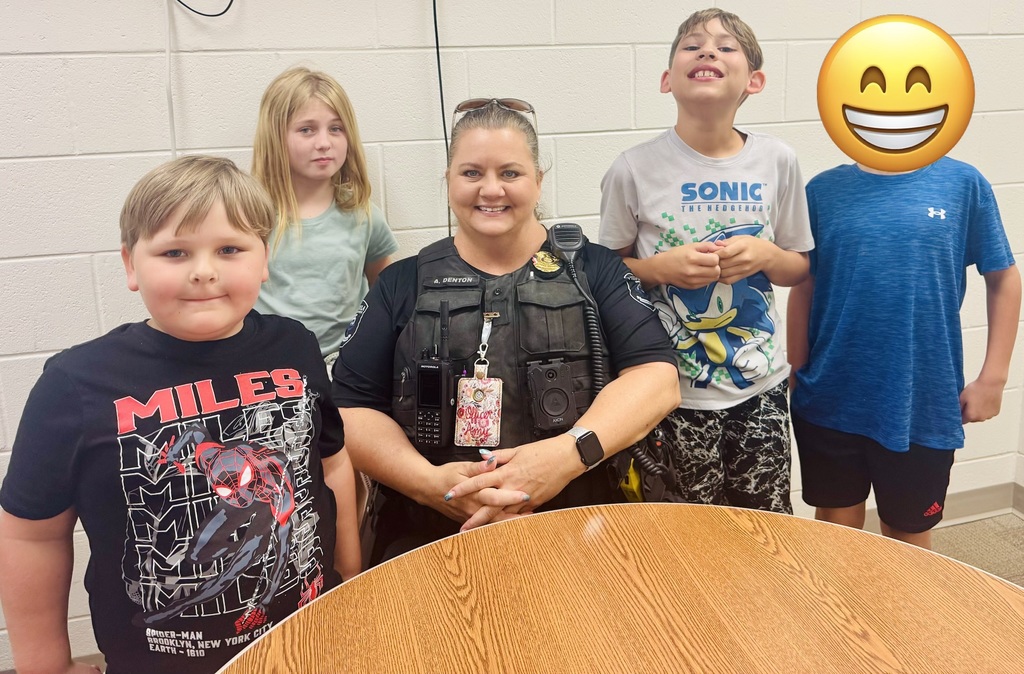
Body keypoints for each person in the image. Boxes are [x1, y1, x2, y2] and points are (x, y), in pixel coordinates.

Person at [0, 156, 361, 674]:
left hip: (310, 639)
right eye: (175, 252)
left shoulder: (295, 346)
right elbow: (30, 534)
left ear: (265, 259)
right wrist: (45, 665)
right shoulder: (76, 383)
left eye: (230, 249)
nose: (204, 270)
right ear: (130, 265)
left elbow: (333, 464)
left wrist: (352, 575)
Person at [332, 98, 680, 565]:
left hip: (581, 531)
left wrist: (562, 458)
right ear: (449, 180)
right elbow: (350, 409)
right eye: (471, 173)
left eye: (510, 173)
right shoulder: (402, 283)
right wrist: (436, 486)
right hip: (431, 537)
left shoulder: (594, 269)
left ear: (539, 180)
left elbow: (658, 378)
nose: (490, 190)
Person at [599, 8, 813, 513]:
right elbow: (601, 274)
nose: (708, 51)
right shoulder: (632, 168)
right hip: (670, 392)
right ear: (666, 79)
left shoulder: (778, 160)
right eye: (692, 45)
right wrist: (658, 269)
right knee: (688, 533)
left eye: (725, 46)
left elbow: (800, 266)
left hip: (759, 388)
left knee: (765, 528)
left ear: (754, 81)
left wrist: (765, 254)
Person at [787, 158, 1021, 549]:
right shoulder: (822, 190)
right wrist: (797, 369)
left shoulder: (963, 183)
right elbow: (805, 284)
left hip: (922, 400)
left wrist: (993, 379)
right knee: (835, 530)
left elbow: (1003, 277)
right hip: (831, 392)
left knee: (906, 538)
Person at [252, 66, 399, 369]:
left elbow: (388, 295)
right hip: (271, 366)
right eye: (306, 130)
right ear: (276, 137)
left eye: (336, 128)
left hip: (345, 365)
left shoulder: (362, 214)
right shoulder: (251, 215)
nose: (324, 142)